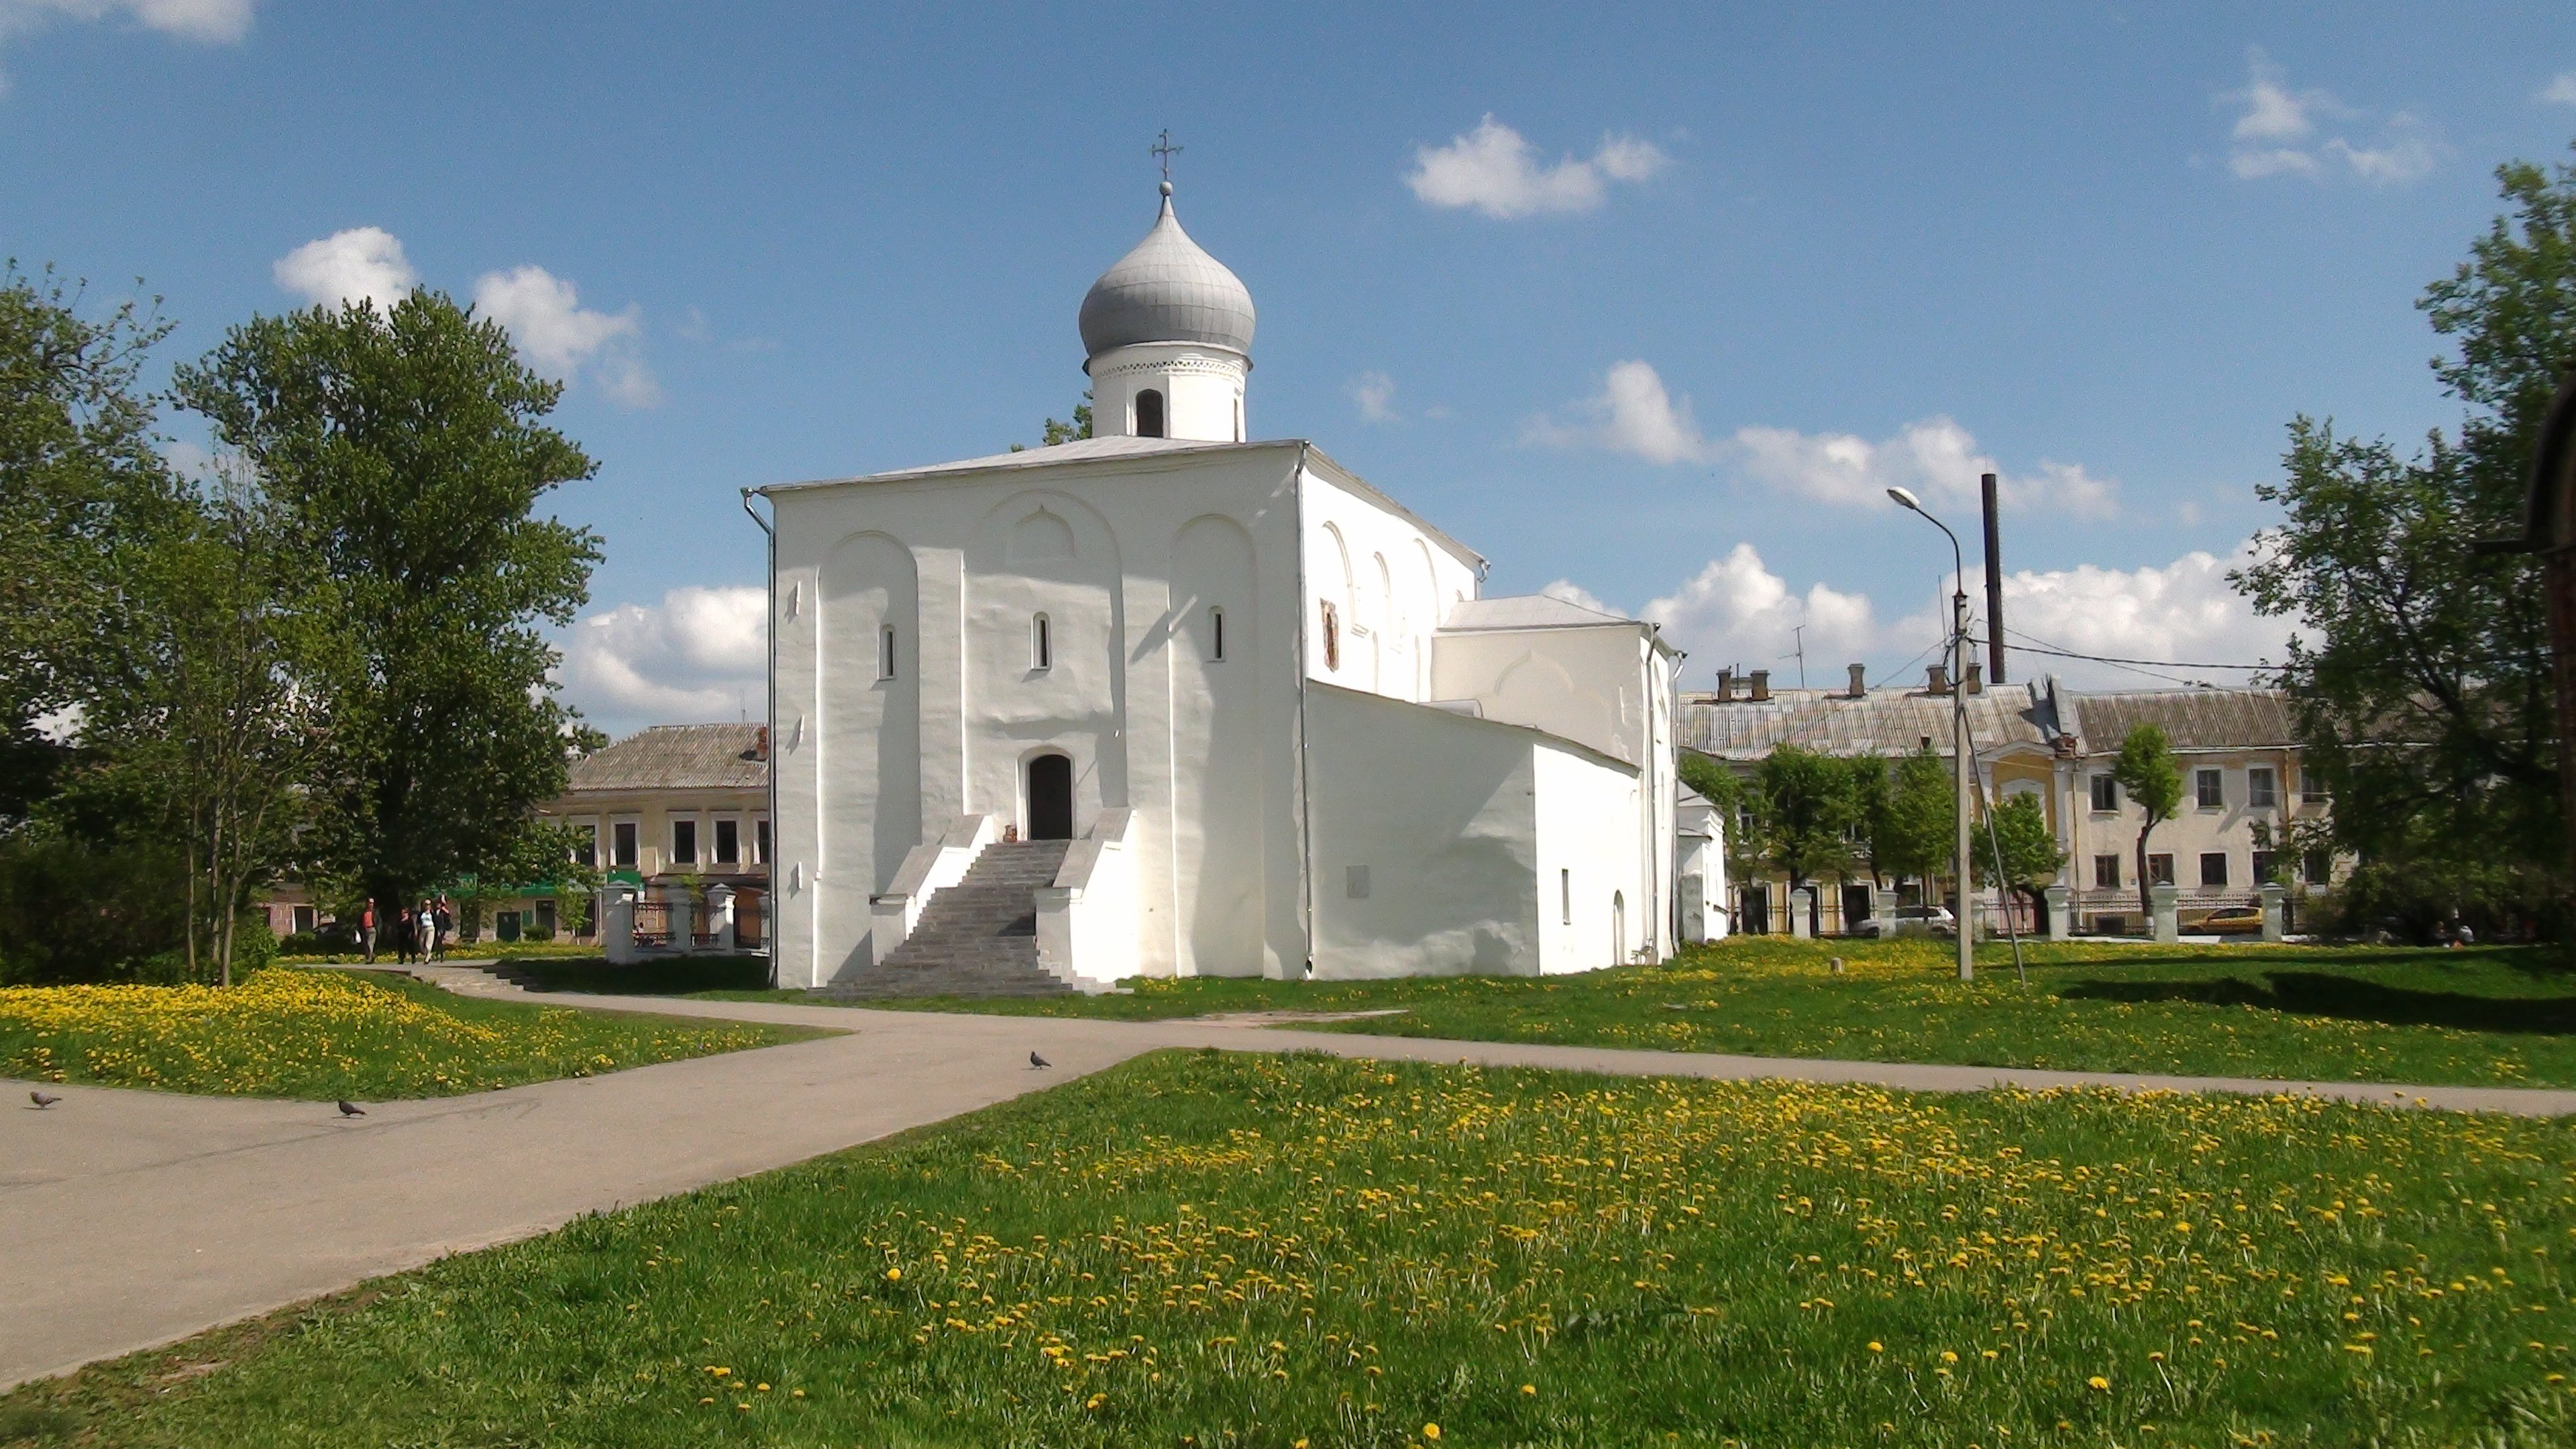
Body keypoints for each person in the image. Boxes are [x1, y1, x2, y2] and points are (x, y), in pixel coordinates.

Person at [360, 898, 377, 963]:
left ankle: (370, 958)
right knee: (366, 945)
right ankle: (370, 957)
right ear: (367, 903)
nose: (371, 904)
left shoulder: (375, 912)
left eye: (372, 903)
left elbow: (378, 921)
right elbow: (360, 920)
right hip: (365, 929)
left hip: (372, 929)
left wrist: (377, 928)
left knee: (370, 943)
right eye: (370, 903)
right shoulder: (364, 912)